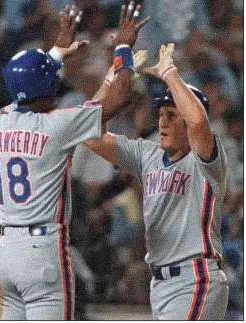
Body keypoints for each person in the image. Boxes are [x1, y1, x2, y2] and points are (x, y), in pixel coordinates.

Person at [0, 3, 149, 320]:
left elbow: (32, 86)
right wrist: (123, 48)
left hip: (3, 253)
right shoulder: (55, 126)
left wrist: (57, 51)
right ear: (44, 87)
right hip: (42, 253)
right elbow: (119, 97)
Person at [85, 43, 229, 320]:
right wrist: (114, 77)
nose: (162, 122)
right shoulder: (147, 154)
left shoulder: (206, 158)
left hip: (195, 277)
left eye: (172, 115)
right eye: (161, 114)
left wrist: (169, 73)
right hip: (161, 283)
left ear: (186, 120)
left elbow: (199, 123)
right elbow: (89, 133)